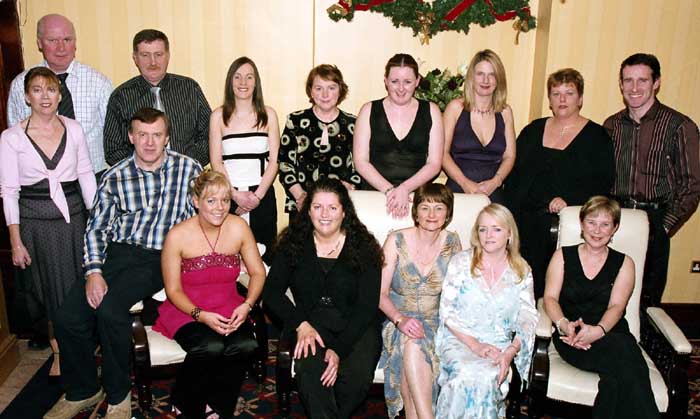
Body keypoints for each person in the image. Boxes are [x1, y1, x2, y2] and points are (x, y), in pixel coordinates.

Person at [46, 108, 202, 419]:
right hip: (118, 253)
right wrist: (93, 272)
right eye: (142, 135)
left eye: (156, 135)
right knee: (67, 317)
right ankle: (84, 389)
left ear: (167, 137)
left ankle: (118, 395)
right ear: (130, 137)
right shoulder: (115, 176)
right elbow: (97, 229)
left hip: (161, 255)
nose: (149, 142)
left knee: (110, 309)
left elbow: (206, 215)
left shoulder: (189, 169)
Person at [0, 67, 96, 379]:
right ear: (27, 97)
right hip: (34, 223)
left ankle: (81, 345)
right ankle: (59, 351)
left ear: (60, 95)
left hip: (73, 220)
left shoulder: (74, 128)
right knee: (46, 290)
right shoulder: (12, 137)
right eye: (38, 90)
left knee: (75, 285)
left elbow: (85, 174)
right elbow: (9, 191)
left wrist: (97, 220)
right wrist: (15, 240)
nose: (45, 96)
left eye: (51, 90)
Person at [262, 178, 383, 419]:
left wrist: (338, 350)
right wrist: (301, 325)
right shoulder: (292, 243)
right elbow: (272, 294)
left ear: (344, 211)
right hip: (310, 323)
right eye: (317, 207)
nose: (324, 214)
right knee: (310, 374)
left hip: (355, 326)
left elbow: (367, 306)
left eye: (332, 208)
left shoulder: (364, 247)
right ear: (308, 211)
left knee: (355, 379)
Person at [152, 170, 266, 419]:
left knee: (245, 345)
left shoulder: (238, 227)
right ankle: (185, 400)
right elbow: (173, 289)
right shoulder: (178, 235)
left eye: (225, 200)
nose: (220, 207)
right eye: (211, 200)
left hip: (229, 304)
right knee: (210, 346)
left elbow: (258, 273)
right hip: (186, 309)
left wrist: (247, 305)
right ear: (196, 201)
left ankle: (217, 403)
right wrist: (200, 315)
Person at [543, 196, 660, 418]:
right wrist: (563, 325)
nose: (597, 230)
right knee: (628, 360)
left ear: (615, 228)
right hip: (572, 338)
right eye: (591, 222)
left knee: (615, 379)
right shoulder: (562, 256)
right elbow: (549, 298)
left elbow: (617, 306)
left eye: (605, 224)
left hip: (610, 331)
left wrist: (598, 331)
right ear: (582, 224)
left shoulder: (625, 263)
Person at [505, 68, 614, 298]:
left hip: (565, 226)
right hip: (524, 223)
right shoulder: (533, 130)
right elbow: (513, 176)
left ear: (580, 98)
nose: (562, 99)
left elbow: (602, 184)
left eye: (569, 93)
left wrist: (571, 202)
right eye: (556, 93)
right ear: (550, 100)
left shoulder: (597, 137)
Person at [605, 53, 700, 307]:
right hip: (617, 218)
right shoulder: (611, 126)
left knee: (646, 298)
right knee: (609, 292)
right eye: (628, 81)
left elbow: (692, 185)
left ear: (656, 82)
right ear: (621, 84)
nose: (634, 88)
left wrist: (664, 227)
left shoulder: (680, 126)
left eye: (642, 80)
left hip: (655, 220)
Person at [435, 203, 537, 419]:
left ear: (509, 234)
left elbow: (528, 318)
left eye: (496, 229)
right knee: (465, 374)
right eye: (483, 229)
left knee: (489, 374)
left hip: (499, 344)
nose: (489, 235)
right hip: (459, 339)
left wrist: (510, 352)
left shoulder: (522, 270)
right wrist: (475, 345)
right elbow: (447, 312)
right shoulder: (461, 262)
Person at [378, 183, 462, 419]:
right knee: (412, 340)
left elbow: (457, 295)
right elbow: (380, 294)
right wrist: (400, 320)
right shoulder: (395, 240)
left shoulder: (453, 243)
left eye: (439, 208)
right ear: (415, 211)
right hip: (396, 318)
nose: (432, 215)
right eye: (425, 208)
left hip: (437, 321)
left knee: (413, 346)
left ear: (448, 213)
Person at [7, 14, 112, 178]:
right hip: (42, 182)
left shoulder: (99, 83)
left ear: (75, 43)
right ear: (39, 43)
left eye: (67, 40)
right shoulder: (21, 85)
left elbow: (113, 134)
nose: (61, 48)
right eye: (53, 40)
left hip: (94, 175)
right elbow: (16, 140)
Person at [353, 53, 444, 218]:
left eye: (407, 82)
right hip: (375, 195)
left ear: (417, 81)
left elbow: (434, 163)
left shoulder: (432, 111)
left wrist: (404, 189)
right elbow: (360, 161)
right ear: (386, 81)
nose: (401, 88)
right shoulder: (368, 110)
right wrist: (390, 191)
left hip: (417, 198)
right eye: (395, 81)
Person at [104, 29, 211, 166]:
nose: (152, 62)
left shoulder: (190, 89)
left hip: (186, 177)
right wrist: (143, 168)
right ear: (135, 58)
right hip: (139, 181)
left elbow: (209, 135)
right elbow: (113, 149)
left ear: (168, 56)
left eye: (158, 54)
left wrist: (187, 164)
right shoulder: (121, 97)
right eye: (145, 55)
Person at [208, 57, 279, 263]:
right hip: (227, 196)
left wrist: (256, 197)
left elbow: (274, 161)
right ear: (230, 81)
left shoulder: (269, 115)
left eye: (249, 77)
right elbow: (216, 162)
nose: (243, 83)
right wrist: (235, 196)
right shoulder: (218, 116)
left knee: (263, 258)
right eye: (237, 77)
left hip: (261, 195)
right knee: (227, 257)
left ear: (256, 82)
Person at [279, 64, 361, 216]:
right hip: (301, 205)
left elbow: (362, 164)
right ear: (310, 91)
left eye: (331, 88)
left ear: (340, 90)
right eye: (318, 88)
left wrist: (351, 187)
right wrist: (301, 197)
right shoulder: (295, 121)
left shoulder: (354, 124)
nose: (325, 94)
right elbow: (284, 164)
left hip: (339, 206)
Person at [442, 49, 515, 204]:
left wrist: (495, 182)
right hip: (458, 190)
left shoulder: (505, 112)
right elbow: (442, 154)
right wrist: (465, 183)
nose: (485, 80)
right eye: (480, 74)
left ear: (498, 79)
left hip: (493, 193)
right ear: (471, 78)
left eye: (492, 74)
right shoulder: (455, 108)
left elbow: (509, 156)